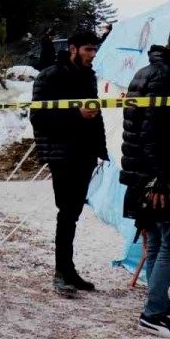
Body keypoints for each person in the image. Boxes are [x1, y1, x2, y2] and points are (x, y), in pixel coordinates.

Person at [121, 23, 170, 338]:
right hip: (156, 174)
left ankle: (160, 305)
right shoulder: (167, 77)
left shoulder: (145, 72)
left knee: (156, 240)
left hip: (143, 172)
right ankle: (153, 313)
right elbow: (153, 132)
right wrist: (158, 178)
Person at [28, 30, 107, 295]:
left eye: (94, 49)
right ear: (73, 48)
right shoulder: (50, 76)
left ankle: (68, 270)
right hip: (61, 154)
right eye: (88, 49)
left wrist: (100, 148)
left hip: (85, 153)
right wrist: (76, 114)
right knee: (66, 213)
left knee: (72, 214)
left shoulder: (88, 76)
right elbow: (38, 117)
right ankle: (61, 272)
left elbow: (95, 114)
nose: (92, 55)